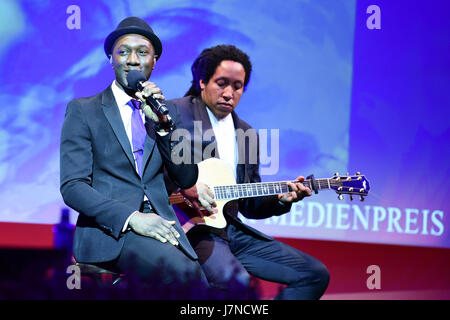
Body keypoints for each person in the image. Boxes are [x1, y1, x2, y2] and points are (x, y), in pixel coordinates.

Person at [168, 45, 329, 299]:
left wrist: (282, 200)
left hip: (229, 229)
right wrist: (183, 190)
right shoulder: (174, 114)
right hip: (187, 226)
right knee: (237, 283)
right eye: (222, 83)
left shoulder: (246, 134)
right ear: (202, 81)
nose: (229, 93)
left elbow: (250, 206)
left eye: (237, 86)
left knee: (314, 274)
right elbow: (147, 170)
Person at [59, 17, 208, 289]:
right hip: (112, 231)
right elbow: (73, 187)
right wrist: (133, 219)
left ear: (154, 60)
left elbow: (186, 178)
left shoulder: (167, 112)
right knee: (188, 281)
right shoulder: (84, 110)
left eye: (142, 52)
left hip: (164, 226)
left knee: (211, 283)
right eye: (123, 51)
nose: (132, 60)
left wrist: (164, 129)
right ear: (111, 59)